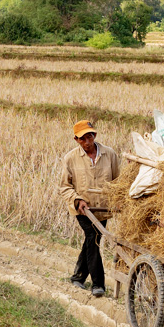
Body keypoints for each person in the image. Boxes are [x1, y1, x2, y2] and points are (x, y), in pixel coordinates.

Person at [59, 119, 122, 296]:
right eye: (83, 138)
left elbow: (118, 181)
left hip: (103, 209)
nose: (87, 142)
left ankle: (78, 277)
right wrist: (77, 200)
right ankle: (98, 284)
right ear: (76, 140)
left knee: (91, 241)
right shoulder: (70, 158)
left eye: (90, 137)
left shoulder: (109, 154)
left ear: (94, 135)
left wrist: (118, 199)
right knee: (93, 239)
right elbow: (65, 186)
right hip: (82, 209)